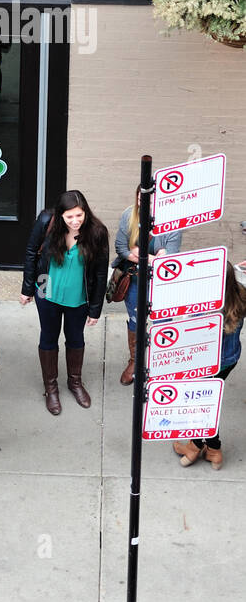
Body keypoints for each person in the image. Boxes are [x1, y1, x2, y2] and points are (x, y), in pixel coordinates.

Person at [20, 190, 109, 414]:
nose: (75, 221)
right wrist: (27, 288)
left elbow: (99, 273)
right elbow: (31, 252)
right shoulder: (46, 222)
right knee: (48, 337)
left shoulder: (97, 233)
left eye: (79, 215)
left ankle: (74, 382)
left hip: (78, 297)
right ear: (60, 215)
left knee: (75, 338)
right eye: (69, 216)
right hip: (45, 289)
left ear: (85, 212)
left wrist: (96, 309)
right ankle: (51, 388)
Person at [173, 266, 245, 470]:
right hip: (229, 360)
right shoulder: (240, 294)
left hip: (207, 363)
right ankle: (205, 448)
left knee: (202, 404)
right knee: (208, 400)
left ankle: (204, 448)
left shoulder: (207, 305)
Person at [114, 189, 182, 386]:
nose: (145, 202)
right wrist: (153, 258)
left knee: (163, 320)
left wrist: (139, 253)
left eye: (152, 199)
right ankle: (135, 361)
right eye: (140, 197)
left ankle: (160, 363)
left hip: (162, 282)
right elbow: (121, 247)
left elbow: (169, 259)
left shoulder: (172, 221)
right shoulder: (129, 215)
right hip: (134, 279)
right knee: (136, 319)